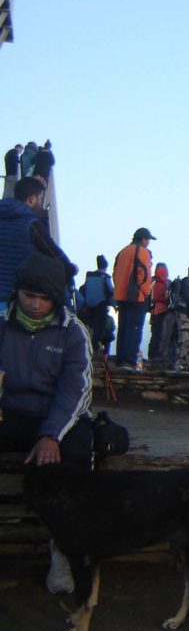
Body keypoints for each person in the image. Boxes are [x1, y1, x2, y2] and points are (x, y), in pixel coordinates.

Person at [0, 253, 95, 595]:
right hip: (9, 413)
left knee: (78, 453)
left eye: (44, 298)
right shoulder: (2, 324)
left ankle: (63, 551)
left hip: (57, 417)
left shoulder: (73, 332)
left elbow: (76, 391)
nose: (36, 304)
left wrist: (51, 434)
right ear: (17, 293)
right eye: (29, 296)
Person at [0, 177, 76, 315]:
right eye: (41, 198)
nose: (41, 203)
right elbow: (54, 254)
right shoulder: (31, 224)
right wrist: (70, 269)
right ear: (32, 199)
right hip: (13, 297)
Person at [112, 227, 156, 369]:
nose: (148, 242)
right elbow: (143, 274)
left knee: (123, 328)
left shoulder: (123, 251)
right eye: (148, 239)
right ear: (143, 239)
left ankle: (121, 360)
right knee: (134, 329)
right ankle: (129, 361)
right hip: (136, 297)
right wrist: (147, 291)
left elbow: (115, 273)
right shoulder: (142, 252)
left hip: (121, 296)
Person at [80, 255, 115, 353]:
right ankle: (97, 349)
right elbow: (110, 292)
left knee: (91, 327)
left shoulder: (89, 276)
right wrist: (114, 304)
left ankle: (91, 347)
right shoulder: (105, 277)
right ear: (105, 266)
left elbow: (83, 289)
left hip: (89, 306)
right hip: (101, 306)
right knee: (100, 329)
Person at [173, 265, 189, 370]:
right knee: (185, 339)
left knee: (188, 339)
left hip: (186, 314)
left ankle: (185, 361)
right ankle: (181, 362)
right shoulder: (187, 283)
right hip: (185, 315)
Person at [148, 263, 171, 365]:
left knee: (156, 333)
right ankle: (155, 354)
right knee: (157, 334)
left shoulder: (155, 282)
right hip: (160, 311)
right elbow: (157, 297)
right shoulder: (160, 283)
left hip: (155, 311)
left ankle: (154, 354)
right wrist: (167, 299)